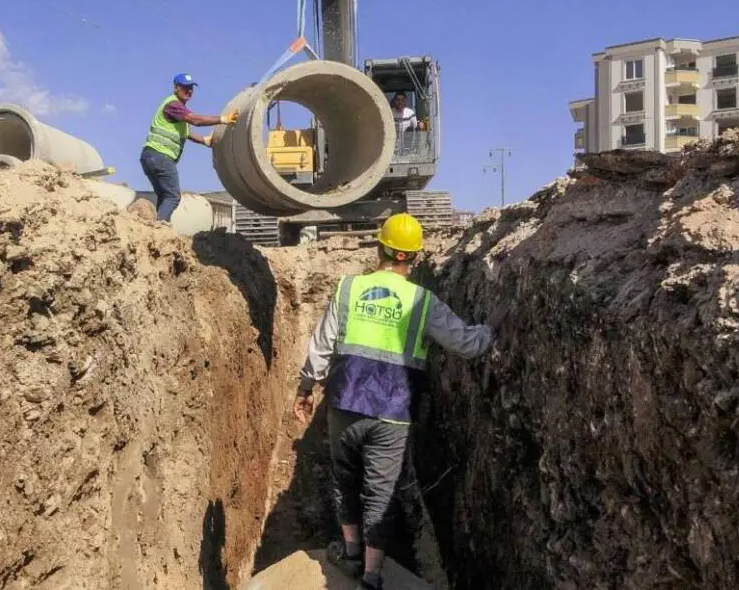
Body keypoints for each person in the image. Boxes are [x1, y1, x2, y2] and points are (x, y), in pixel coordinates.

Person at [292, 212, 508, 590]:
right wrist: (494, 325)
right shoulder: (423, 302)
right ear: (415, 258)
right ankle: (373, 575)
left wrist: (305, 388)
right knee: (381, 492)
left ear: (380, 248)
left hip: (344, 403)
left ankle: (350, 552)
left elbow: (321, 346)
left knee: (345, 480)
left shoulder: (348, 289)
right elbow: (466, 344)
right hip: (392, 412)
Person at [141, 73, 239, 222]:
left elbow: (188, 133)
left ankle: (158, 228)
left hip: (151, 157)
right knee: (173, 196)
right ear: (176, 88)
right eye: (185, 88)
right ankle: (158, 228)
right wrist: (223, 119)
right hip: (161, 157)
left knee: (165, 196)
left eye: (191, 88)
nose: (189, 91)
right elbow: (195, 120)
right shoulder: (173, 105)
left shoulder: (179, 116)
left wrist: (205, 141)